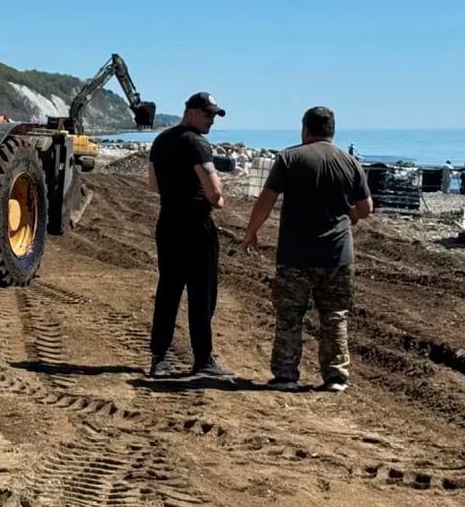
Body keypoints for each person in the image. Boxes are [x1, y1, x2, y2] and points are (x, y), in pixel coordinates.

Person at [239, 106, 373, 392]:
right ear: (332, 131)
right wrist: (350, 216)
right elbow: (366, 208)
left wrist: (252, 231)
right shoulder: (350, 162)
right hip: (337, 255)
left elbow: (267, 199)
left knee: (290, 317)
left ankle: (286, 375)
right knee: (335, 316)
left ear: (305, 129)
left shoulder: (290, 158)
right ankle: (336, 377)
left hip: (294, 255)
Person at [144, 91, 234, 379]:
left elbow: (153, 185)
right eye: (207, 114)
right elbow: (215, 191)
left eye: (213, 116)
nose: (210, 120)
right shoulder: (198, 144)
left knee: (168, 290)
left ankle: (159, 358)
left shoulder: (161, 141)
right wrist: (216, 202)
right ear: (191, 112)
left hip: (168, 222)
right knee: (202, 293)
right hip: (196, 224)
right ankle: (203, 359)